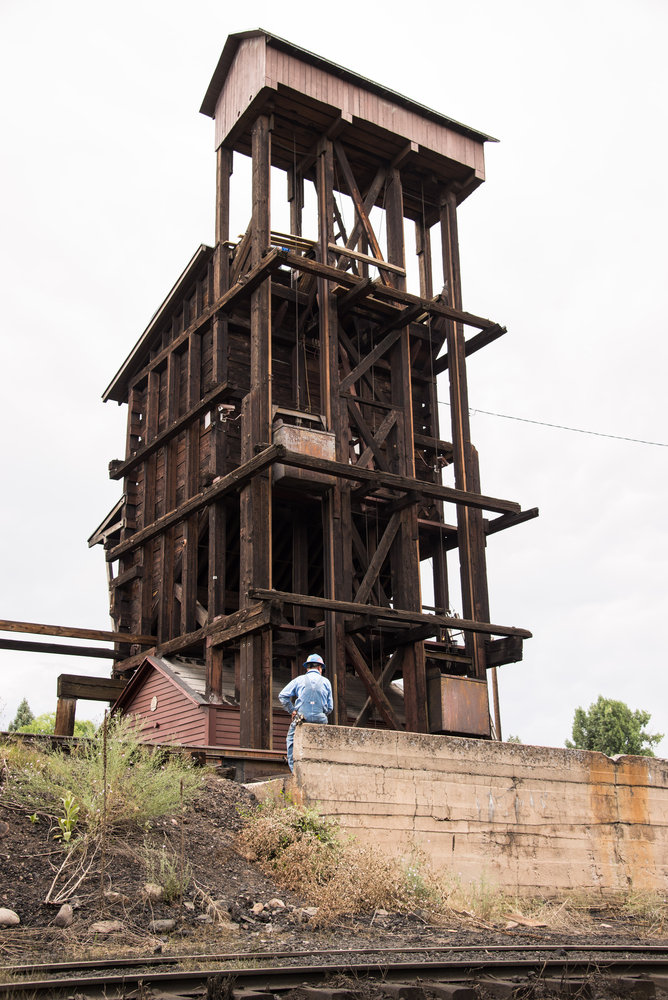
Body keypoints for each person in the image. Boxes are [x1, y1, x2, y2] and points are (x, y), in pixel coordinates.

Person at [278, 653, 333, 772]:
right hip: (320, 719)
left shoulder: (299, 680)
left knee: (291, 740)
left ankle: (294, 772)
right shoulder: (326, 682)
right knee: (320, 745)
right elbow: (330, 708)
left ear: (307, 668)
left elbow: (282, 696)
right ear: (320, 668)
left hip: (302, 718)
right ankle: (321, 770)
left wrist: (292, 710)